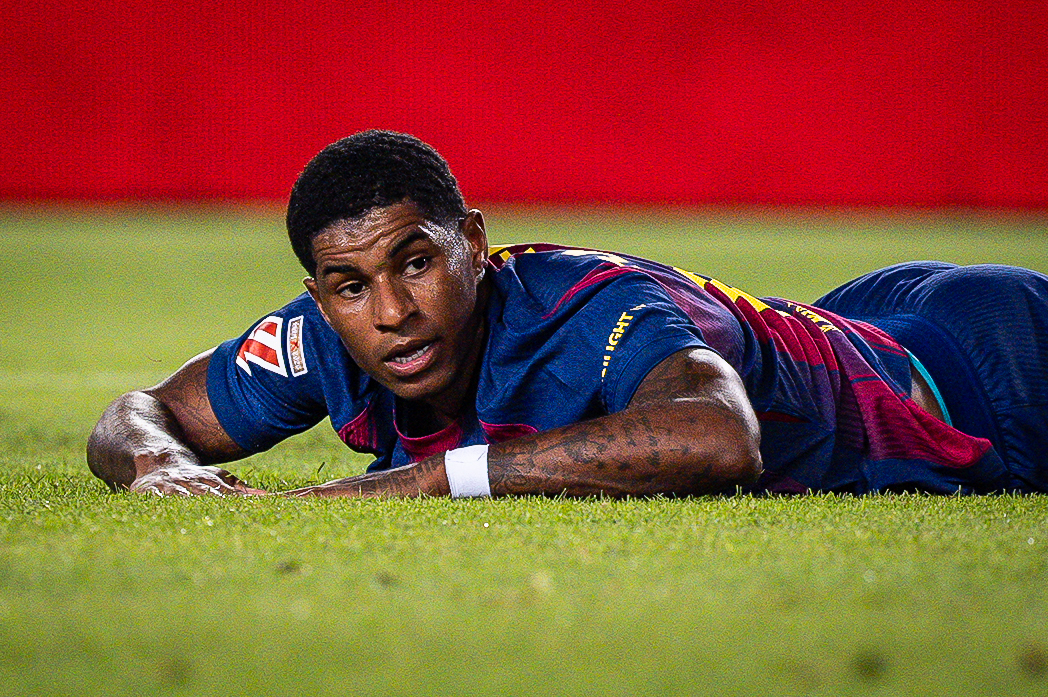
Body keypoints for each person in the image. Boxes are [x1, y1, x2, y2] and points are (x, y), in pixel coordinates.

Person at [86, 131, 1048, 498]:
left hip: (985, 368)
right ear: (320, 294)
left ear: (472, 240)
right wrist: (158, 461)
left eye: (417, 262)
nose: (391, 311)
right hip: (843, 326)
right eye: (351, 285)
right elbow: (138, 413)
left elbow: (719, 437)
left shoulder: (592, 304)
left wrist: (429, 482)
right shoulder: (328, 337)